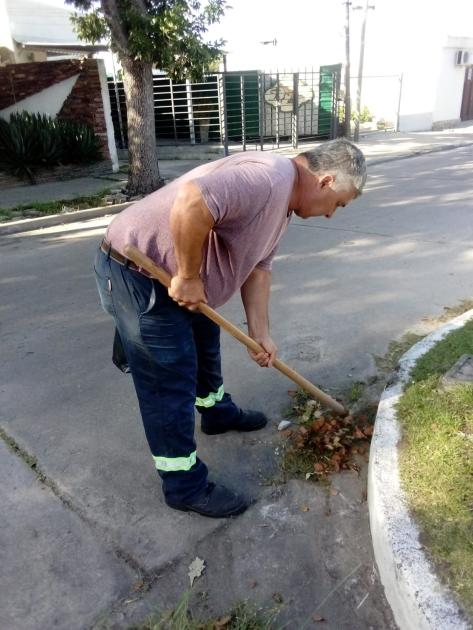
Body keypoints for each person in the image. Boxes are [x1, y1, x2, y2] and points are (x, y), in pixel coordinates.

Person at [94, 138, 367, 518]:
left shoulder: (284, 204)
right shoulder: (267, 179)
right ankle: (183, 485)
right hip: (139, 273)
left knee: (205, 347)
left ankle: (217, 412)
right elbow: (192, 200)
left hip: (185, 285)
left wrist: (260, 333)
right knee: (167, 380)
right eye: (338, 203)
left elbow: (258, 267)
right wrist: (188, 275)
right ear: (324, 181)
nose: (330, 215)